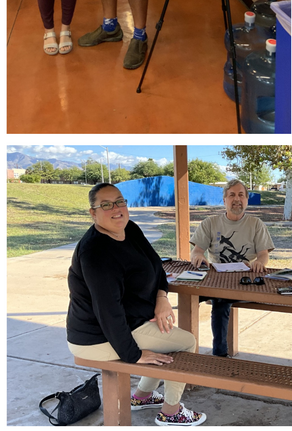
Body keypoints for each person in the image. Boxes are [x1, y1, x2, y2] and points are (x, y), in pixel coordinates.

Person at [66, 182, 206, 427]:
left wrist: (162, 298)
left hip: (131, 320)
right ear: (93, 213)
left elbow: (156, 265)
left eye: (120, 201)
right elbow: (107, 311)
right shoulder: (95, 253)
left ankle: (142, 396)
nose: (116, 209)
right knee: (185, 342)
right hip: (95, 337)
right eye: (106, 205)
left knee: (166, 340)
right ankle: (171, 413)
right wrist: (134, 355)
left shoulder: (129, 228)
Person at [189, 179, 274, 357]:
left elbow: (263, 254)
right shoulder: (210, 223)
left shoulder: (255, 224)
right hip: (215, 280)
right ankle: (183, 350)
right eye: (232, 195)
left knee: (221, 301)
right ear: (224, 200)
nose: (237, 199)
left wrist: (259, 262)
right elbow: (196, 251)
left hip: (244, 282)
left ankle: (220, 356)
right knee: (187, 296)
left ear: (247, 200)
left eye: (241, 195)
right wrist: (198, 257)